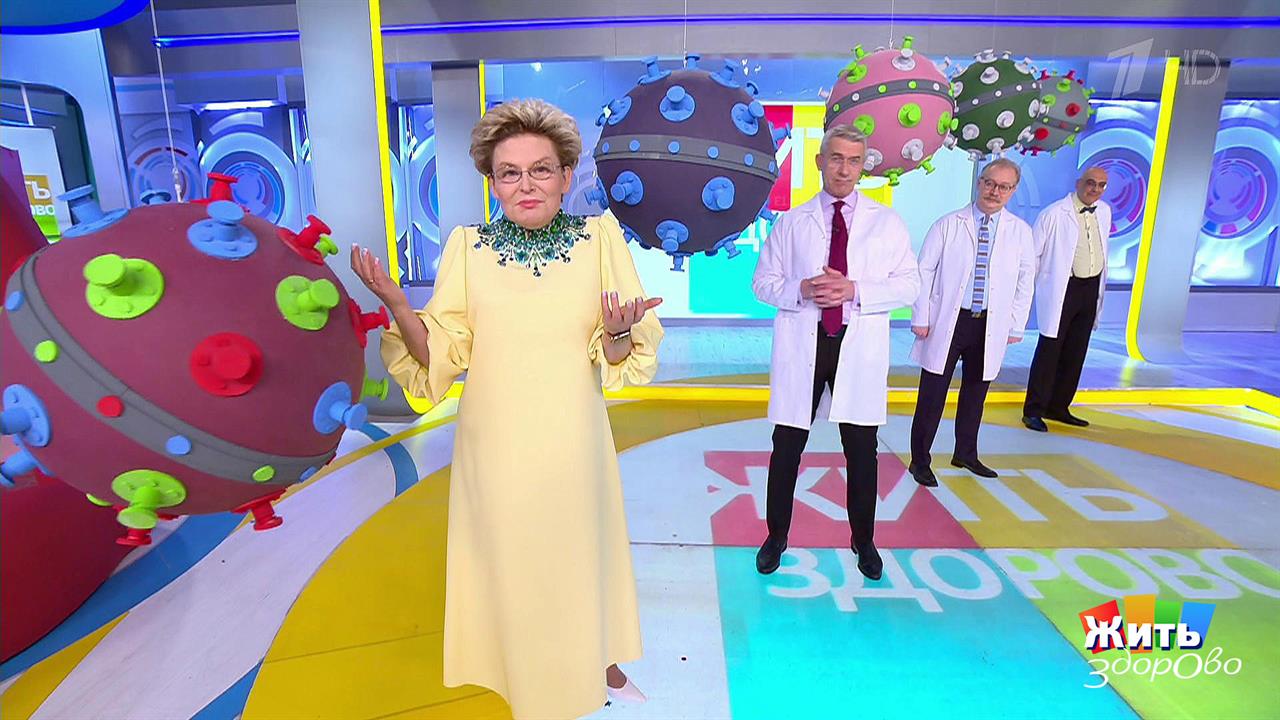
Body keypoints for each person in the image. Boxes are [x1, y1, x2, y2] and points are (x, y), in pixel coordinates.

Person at [350, 99, 663, 720]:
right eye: (510, 173)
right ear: (491, 182)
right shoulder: (469, 247)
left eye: (541, 169)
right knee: (513, 559)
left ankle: (596, 660)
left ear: (566, 176)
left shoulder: (599, 239)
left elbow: (621, 354)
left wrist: (620, 333)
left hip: (573, 434)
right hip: (494, 441)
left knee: (577, 550)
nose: (526, 185)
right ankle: (522, 675)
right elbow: (442, 355)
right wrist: (397, 303)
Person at [751, 125, 920, 582]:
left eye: (854, 160)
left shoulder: (887, 224)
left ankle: (864, 541)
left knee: (862, 450)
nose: (844, 169)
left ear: (864, 166)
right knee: (787, 445)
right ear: (820, 162)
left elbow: (909, 284)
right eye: (836, 158)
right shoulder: (791, 222)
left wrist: (854, 290)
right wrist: (803, 288)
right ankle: (776, 536)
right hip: (804, 341)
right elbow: (762, 283)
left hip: (857, 344)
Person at [907, 158, 1036, 486]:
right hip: (948, 321)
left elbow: (1026, 280)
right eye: (990, 183)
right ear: (980, 183)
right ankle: (920, 461)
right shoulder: (948, 224)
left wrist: (1016, 324)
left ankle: (966, 453)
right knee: (932, 394)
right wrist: (921, 316)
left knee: (976, 393)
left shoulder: (1020, 232)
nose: (995, 191)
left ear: (1013, 191)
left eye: (1004, 187)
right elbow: (924, 270)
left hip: (989, 323)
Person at [1022, 167, 1112, 432]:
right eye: (1091, 183)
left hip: (1091, 286)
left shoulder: (1104, 211)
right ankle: (1033, 410)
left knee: (1076, 350)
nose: (1095, 189)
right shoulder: (1053, 214)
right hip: (1064, 286)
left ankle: (1059, 406)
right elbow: (1032, 256)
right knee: (1050, 349)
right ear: (1078, 183)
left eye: (1101, 185)